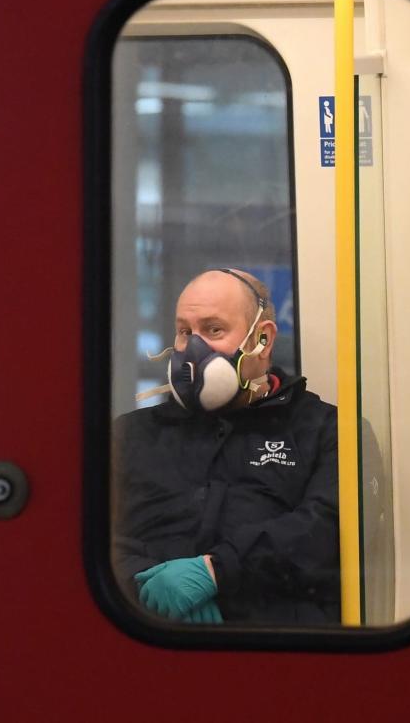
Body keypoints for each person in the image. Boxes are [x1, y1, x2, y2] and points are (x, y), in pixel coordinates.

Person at [112, 268, 340, 625]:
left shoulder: (325, 431)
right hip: (143, 640)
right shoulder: (129, 435)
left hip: (275, 651)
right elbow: (86, 533)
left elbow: (327, 528)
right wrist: (143, 584)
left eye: (213, 330)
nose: (192, 349)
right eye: (185, 332)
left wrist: (217, 571)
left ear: (262, 340)